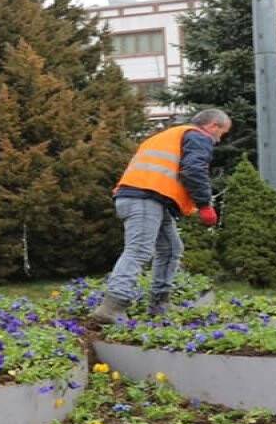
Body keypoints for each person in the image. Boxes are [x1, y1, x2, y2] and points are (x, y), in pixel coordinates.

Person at [90, 109, 231, 324]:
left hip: (148, 198)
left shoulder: (167, 136)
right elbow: (193, 170)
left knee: (171, 248)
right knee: (139, 250)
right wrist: (204, 205)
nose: (219, 139)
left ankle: (160, 303)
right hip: (145, 197)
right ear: (214, 126)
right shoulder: (197, 136)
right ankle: (113, 306)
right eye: (222, 133)